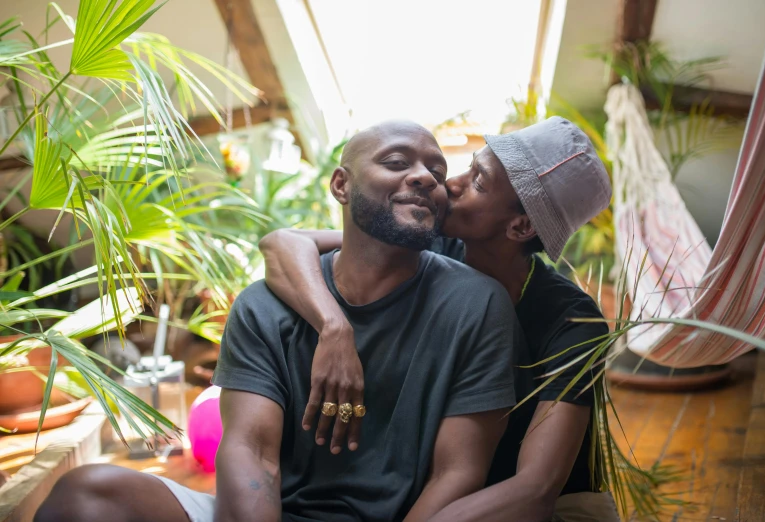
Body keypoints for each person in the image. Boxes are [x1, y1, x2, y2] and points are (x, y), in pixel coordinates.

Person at [34, 121, 520, 522]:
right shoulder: (264, 306)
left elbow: (455, 475)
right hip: (267, 514)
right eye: (396, 163)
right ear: (341, 185)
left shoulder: (476, 306)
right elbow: (253, 455)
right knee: (84, 496)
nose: (425, 178)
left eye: (437, 172)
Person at [258, 116, 619, 521]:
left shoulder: (572, 324)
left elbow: (534, 489)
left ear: (521, 226)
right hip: (443, 494)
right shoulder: (434, 248)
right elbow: (282, 244)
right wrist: (333, 327)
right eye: (468, 167)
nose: (451, 184)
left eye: (479, 182)